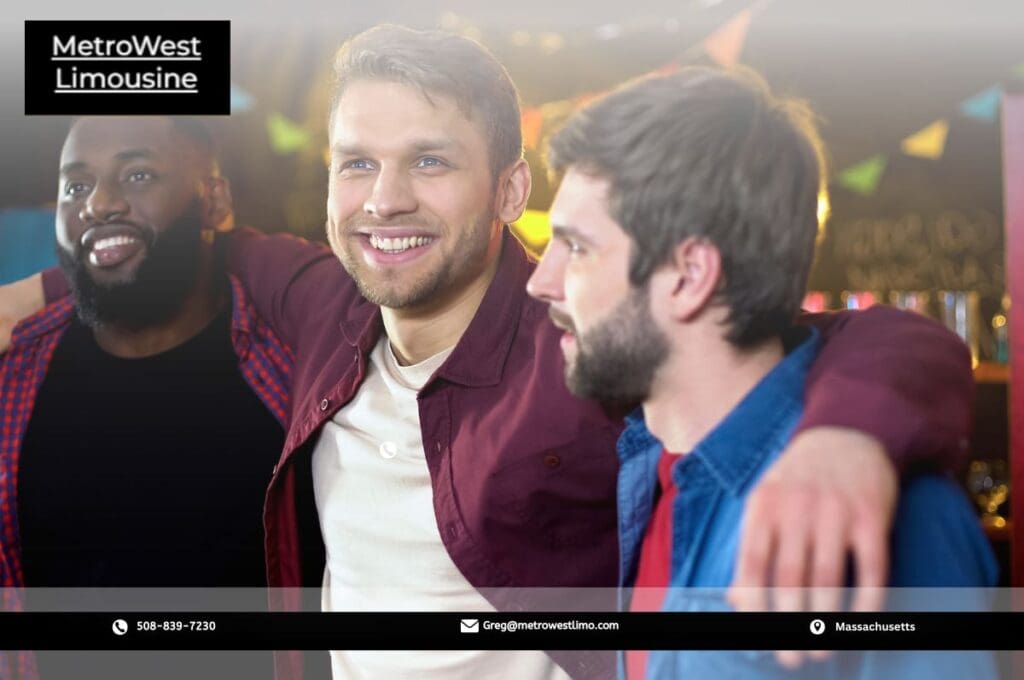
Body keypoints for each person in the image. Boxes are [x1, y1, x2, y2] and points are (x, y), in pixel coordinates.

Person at [3, 26, 975, 680]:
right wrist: (34, 291)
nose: (383, 198)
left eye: (429, 160)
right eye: (357, 163)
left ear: (510, 190)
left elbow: (873, 338)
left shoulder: (585, 335)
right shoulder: (320, 302)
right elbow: (167, 240)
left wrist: (840, 438)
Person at [527, 66, 997, 679]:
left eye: (579, 248)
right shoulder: (649, 468)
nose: (543, 280)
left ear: (690, 275)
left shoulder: (885, 512)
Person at [0, 116, 290, 679]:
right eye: (75, 186)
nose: (99, 205)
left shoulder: (295, 370)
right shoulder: (13, 375)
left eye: (137, 174)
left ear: (213, 199)